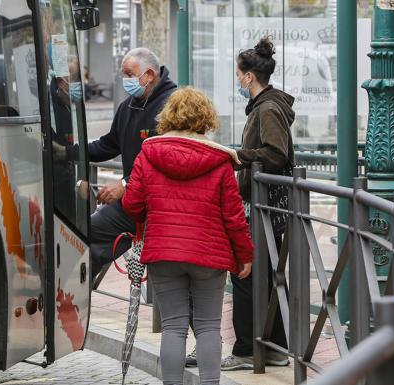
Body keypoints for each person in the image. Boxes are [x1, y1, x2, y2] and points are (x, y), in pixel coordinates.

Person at [121, 87, 253, 385]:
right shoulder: (219, 160)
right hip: (209, 255)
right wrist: (244, 255)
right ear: (205, 119)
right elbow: (234, 217)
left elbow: (132, 204)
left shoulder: (149, 154)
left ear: (168, 116)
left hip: (163, 252)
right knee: (208, 326)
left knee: (173, 326)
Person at [59, 47, 177, 278]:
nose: (125, 81)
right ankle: (73, 293)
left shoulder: (172, 105)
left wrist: (125, 185)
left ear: (150, 75)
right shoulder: (128, 106)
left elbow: (165, 161)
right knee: (83, 235)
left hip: (163, 205)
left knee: (168, 282)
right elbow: (108, 144)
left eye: (130, 75)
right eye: (123, 74)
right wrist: (67, 153)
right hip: (133, 204)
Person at [220, 37, 295, 370]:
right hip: (262, 205)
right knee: (263, 274)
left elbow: (276, 153)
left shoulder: (267, 109)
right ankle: (276, 346)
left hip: (260, 207)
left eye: (239, 74)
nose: (238, 79)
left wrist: (239, 156)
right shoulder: (267, 106)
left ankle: (248, 348)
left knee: (246, 273)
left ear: (249, 76)